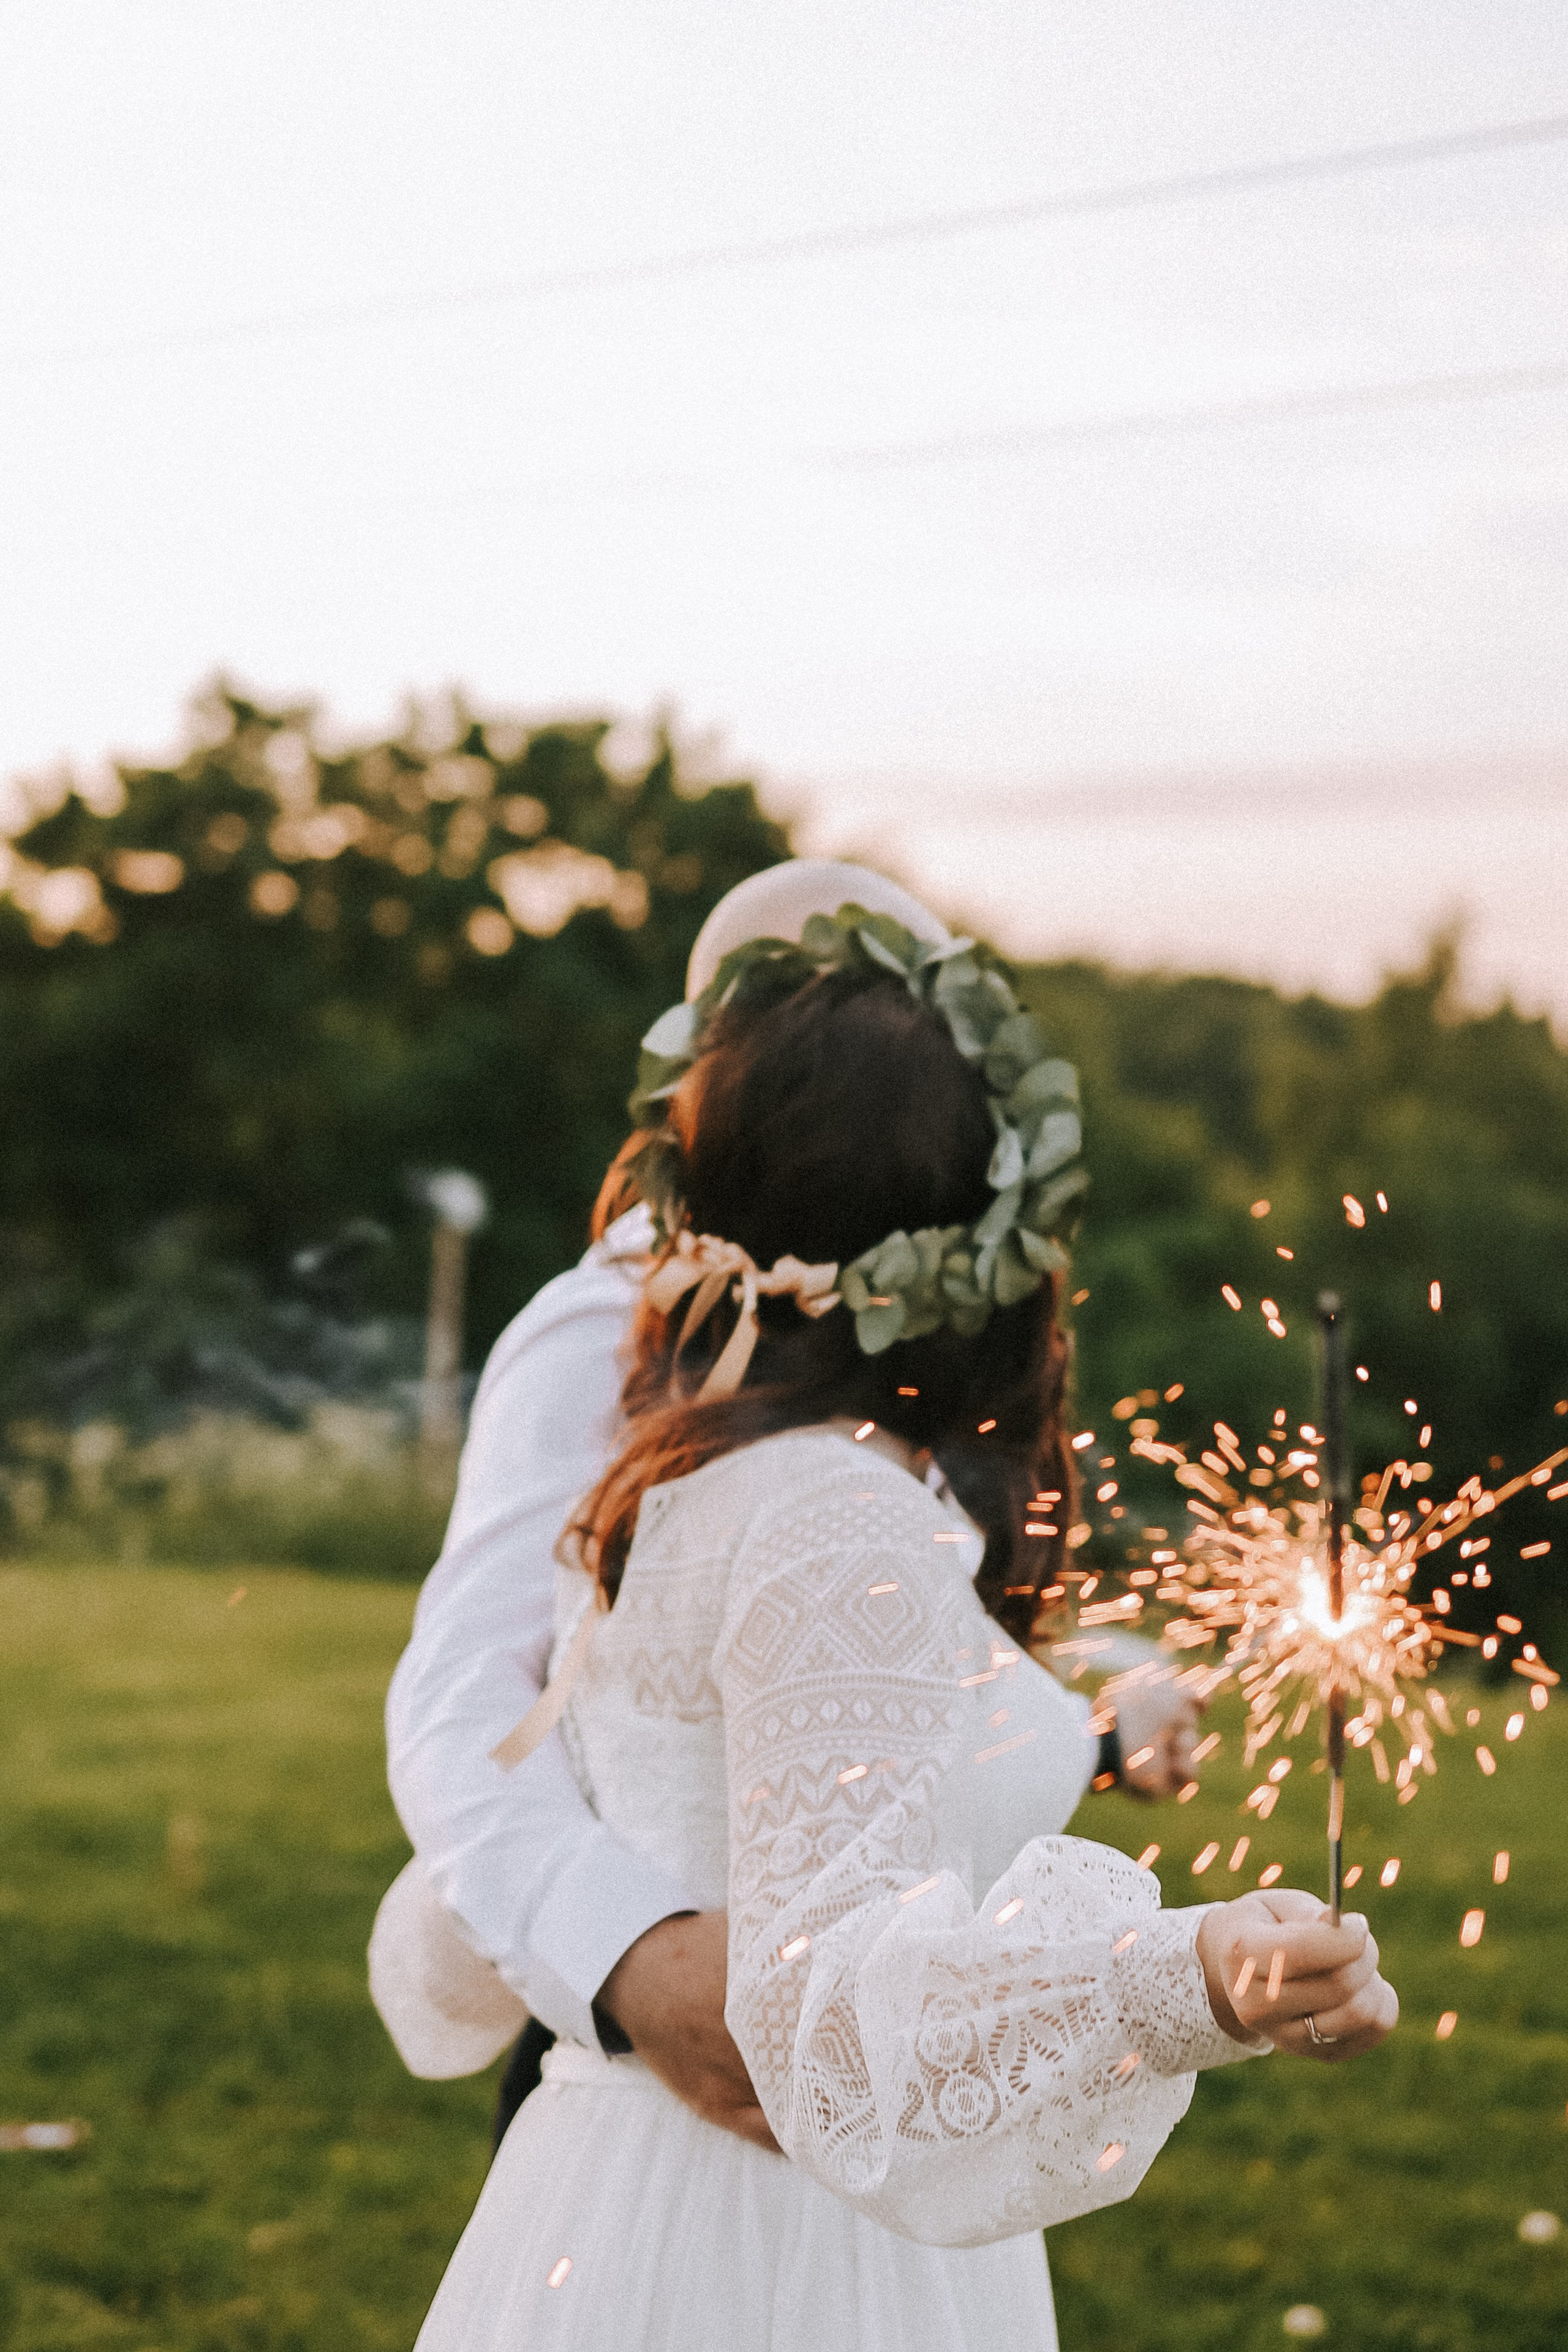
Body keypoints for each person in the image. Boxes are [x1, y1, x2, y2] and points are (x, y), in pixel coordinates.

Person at [408, 902, 1398, 2351]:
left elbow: (813, 1731)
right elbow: (843, 2033)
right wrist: (1197, 1977)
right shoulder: (829, 1511)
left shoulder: (719, 1469)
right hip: (768, 2252)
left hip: (631, 2198)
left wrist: (1094, 1726)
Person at [381, 864, 1204, 2151]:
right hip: (646, 2043)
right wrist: (630, 1955)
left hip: (884, 2040)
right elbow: (462, 1695)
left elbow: (861, 1651)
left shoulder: (915, 1349)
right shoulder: (599, 1324)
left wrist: (1093, 1714)